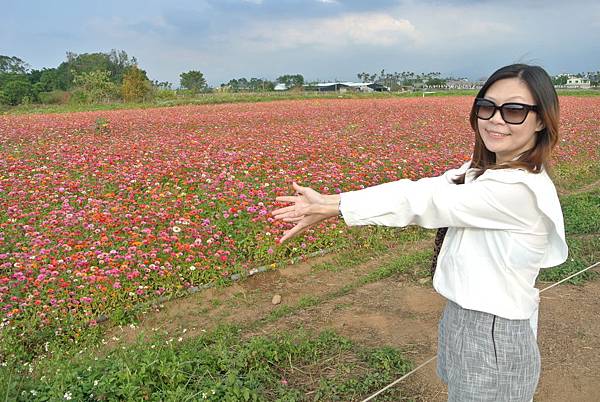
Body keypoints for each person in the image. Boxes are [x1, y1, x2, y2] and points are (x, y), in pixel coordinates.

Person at [270, 64, 568, 401]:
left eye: (514, 110)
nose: (495, 119)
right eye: (487, 106)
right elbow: (430, 187)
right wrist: (332, 201)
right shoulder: (487, 171)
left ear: (542, 119)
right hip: (467, 318)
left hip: (492, 331)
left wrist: (336, 207)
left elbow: (423, 200)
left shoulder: (518, 190)